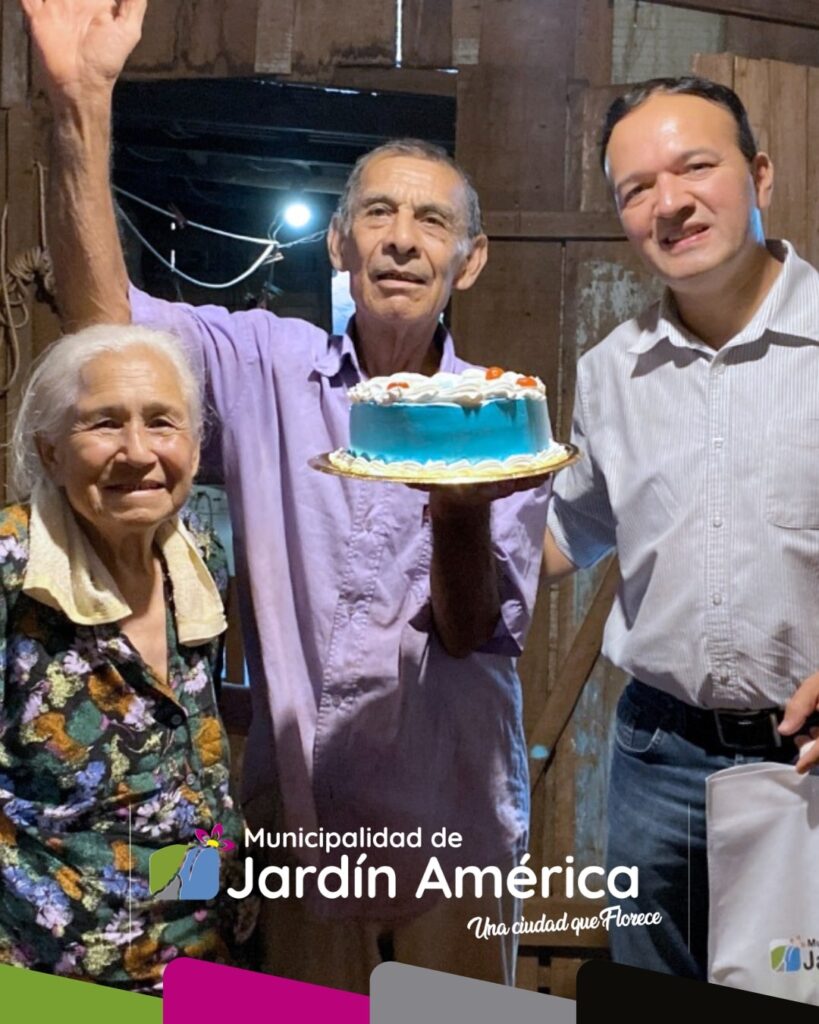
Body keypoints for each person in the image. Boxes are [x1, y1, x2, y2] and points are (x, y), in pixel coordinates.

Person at [23, 0, 552, 992]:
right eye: (379, 216)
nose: (402, 238)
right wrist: (80, 103)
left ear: (467, 261)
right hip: (301, 829)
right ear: (338, 247)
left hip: (457, 824)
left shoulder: (496, 414)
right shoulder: (267, 363)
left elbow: (473, 622)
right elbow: (107, 338)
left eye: (432, 220)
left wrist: (462, 508)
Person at [542, 75, 819, 980]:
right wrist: (444, 501)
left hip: (807, 759)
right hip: (652, 758)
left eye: (695, 166)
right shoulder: (611, 371)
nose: (669, 204)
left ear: (759, 175)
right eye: (635, 189)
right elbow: (562, 536)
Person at [0, 323, 247, 992]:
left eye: (162, 423)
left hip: (204, 959)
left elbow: (178, 784)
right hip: (54, 986)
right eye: (103, 424)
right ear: (50, 452)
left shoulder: (195, 556)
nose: (138, 452)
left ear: (195, 450)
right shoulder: (12, 570)